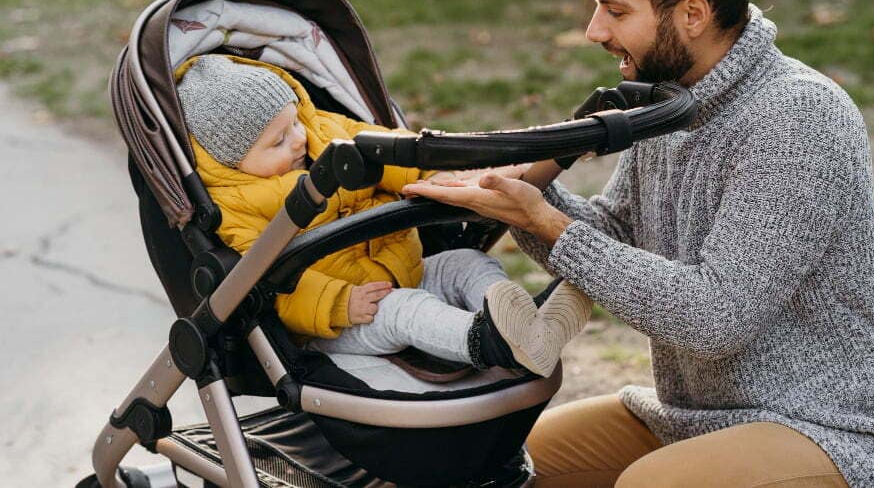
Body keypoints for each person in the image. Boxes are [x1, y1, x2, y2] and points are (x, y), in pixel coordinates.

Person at [402, 0, 874, 487]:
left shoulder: (798, 117)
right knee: (501, 464)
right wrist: (525, 199)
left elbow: (715, 317)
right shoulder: (670, 102)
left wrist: (546, 220)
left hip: (836, 435)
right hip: (693, 418)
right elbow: (614, 237)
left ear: (693, 14)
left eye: (617, 10)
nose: (594, 31)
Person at [175, 54, 591, 377]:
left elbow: (388, 150)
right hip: (346, 316)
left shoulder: (323, 131)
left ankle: (528, 326)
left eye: (295, 123)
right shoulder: (234, 206)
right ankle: (490, 342)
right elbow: (265, 281)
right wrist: (339, 303)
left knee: (467, 263)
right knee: (405, 310)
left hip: (402, 267)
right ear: (232, 160)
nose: (299, 139)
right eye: (278, 141)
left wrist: (435, 173)